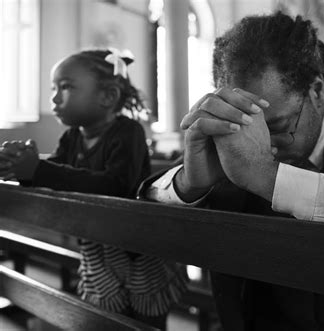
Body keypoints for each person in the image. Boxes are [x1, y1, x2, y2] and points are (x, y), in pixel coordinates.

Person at [139, 12, 324, 331]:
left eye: (278, 126)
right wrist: (190, 182)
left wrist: (270, 179)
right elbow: (143, 203)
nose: (262, 145)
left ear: (317, 92)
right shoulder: (230, 133)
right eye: (248, 130)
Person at [0, 48, 187, 329]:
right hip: (97, 244)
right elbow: (54, 175)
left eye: (66, 87)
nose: (54, 97)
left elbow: (115, 186)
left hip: (137, 246)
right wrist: (18, 168)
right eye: (54, 88)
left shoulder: (128, 133)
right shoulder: (71, 138)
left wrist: (38, 170)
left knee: (146, 319)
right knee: (105, 319)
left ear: (107, 96)